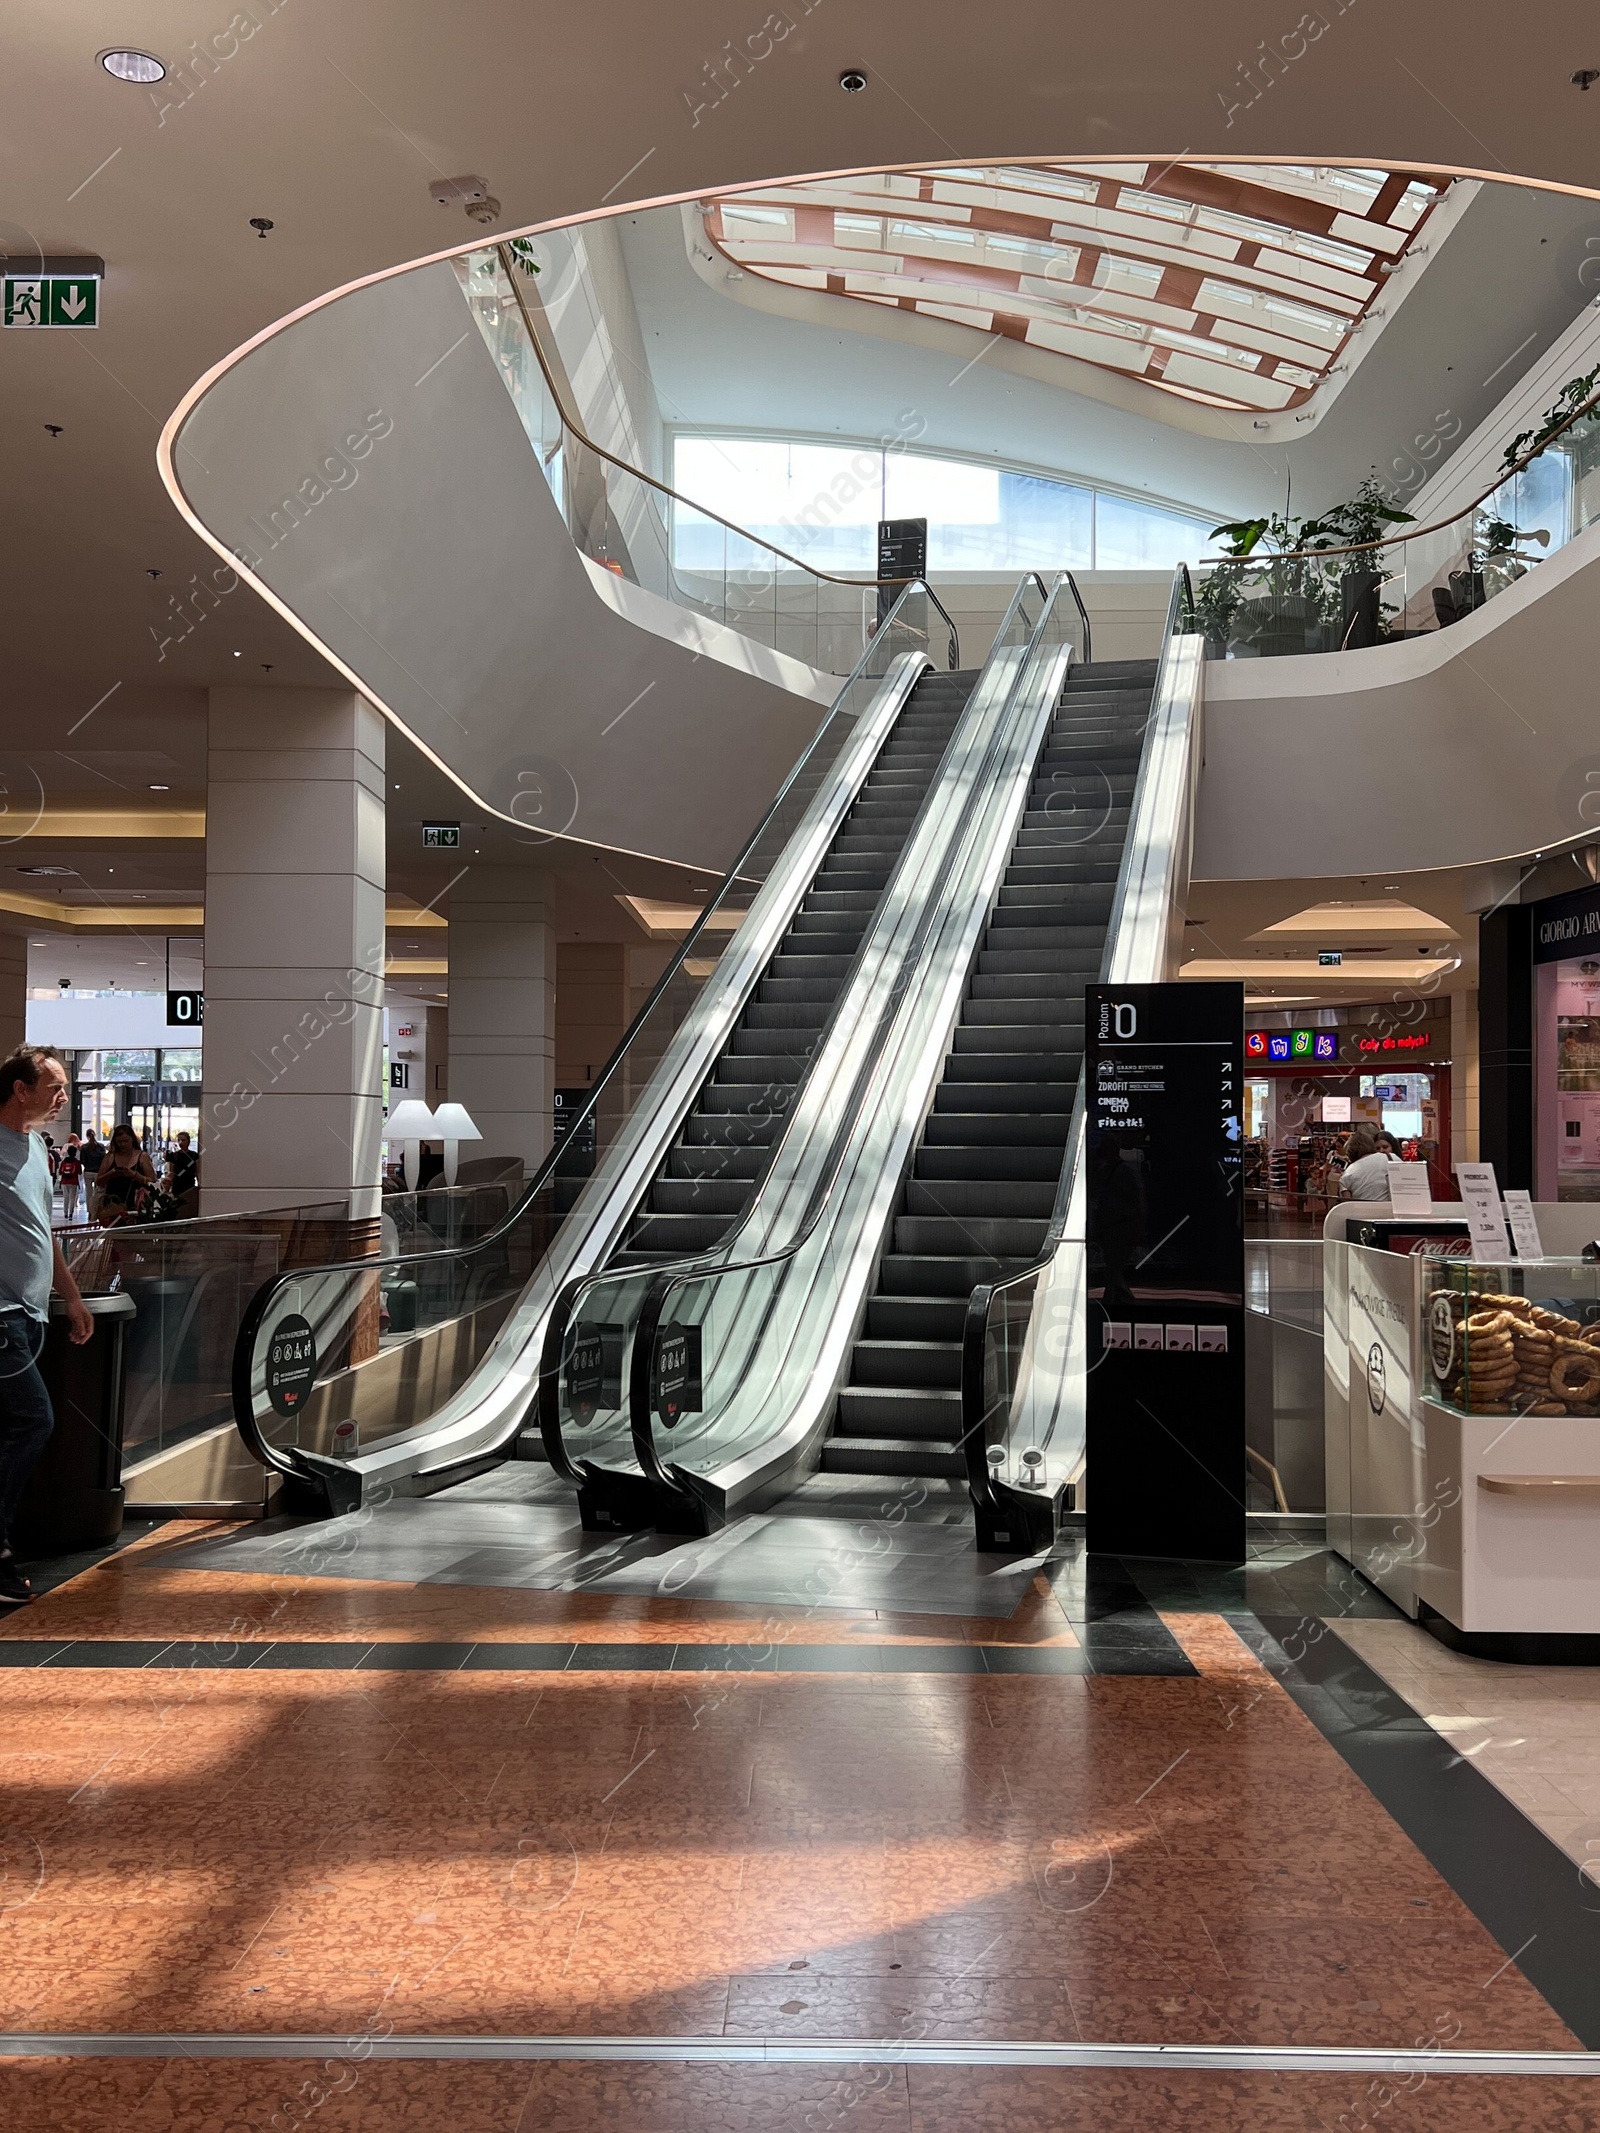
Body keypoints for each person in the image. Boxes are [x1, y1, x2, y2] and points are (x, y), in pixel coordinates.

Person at [0, 1048, 93, 1607]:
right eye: (55, 1085)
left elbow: (44, 1230)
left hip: (31, 1314)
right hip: (1, 1316)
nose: (64, 1095)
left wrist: (73, 1298)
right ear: (19, 1089)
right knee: (35, 1419)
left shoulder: (35, 1145)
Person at [93, 1124, 157, 1227]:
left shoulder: (142, 1157)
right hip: (112, 1206)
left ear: (132, 1139)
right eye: (119, 1142)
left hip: (136, 1206)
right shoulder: (110, 1157)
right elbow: (99, 1181)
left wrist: (134, 1175)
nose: (122, 1145)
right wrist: (111, 1174)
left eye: (126, 1141)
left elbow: (152, 1181)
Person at [1339, 1123, 1403, 1202]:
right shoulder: (1391, 1158)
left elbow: (1347, 1206)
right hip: (1390, 1211)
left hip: (1362, 1212)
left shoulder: (1347, 1174)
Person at [164, 1130, 198, 1209]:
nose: (181, 1142)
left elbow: (197, 1171)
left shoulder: (194, 1155)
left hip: (189, 1184)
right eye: (179, 1140)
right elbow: (171, 1172)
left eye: (183, 1140)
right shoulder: (174, 1155)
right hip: (177, 1185)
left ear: (188, 1141)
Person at [57, 1135, 84, 1224]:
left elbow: (60, 1172)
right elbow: (80, 1172)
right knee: (72, 1198)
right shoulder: (76, 1162)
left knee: (66, 1198)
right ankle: (71, 1214)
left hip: (64, 1181)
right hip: (73, 1182)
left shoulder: (64, 1162)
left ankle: (65, 1213)